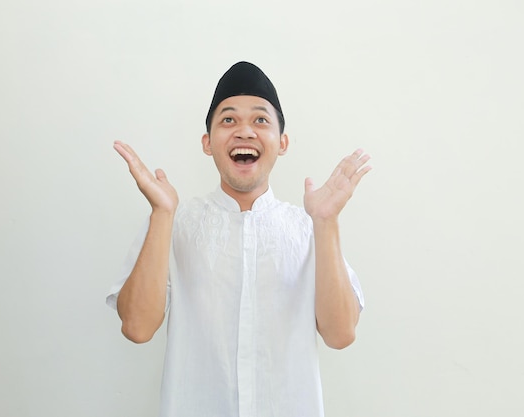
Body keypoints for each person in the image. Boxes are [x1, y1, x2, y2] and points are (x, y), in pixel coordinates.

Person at [106, 61, 371, 417]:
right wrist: (162, 214)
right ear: (207, 142)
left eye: (261, 120)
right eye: (228, 120)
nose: (244, 131)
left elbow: (340, 335)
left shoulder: (307, 228)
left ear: (283, 142)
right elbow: (136, 327)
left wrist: (326, 222)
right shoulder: (175, 223)